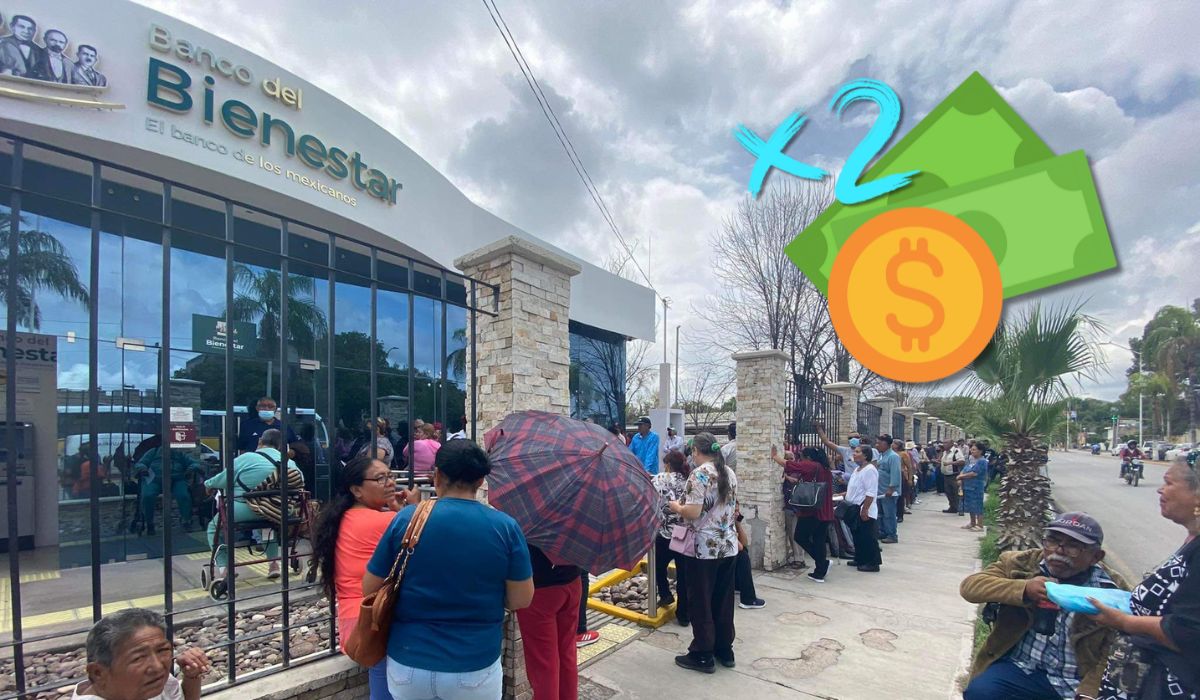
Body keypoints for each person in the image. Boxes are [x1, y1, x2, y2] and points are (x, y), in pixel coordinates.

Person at [364, 439, 534, 699]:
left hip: (409, 663)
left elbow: (369, 587)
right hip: (475, 666)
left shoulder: (406, 519)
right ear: (480, 481)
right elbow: (521, 599)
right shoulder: (505, 527)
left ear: (437, 475)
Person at [960, 512, 1128, 700]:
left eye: (1073, 546)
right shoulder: (1022, 564)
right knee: (981, 692)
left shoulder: (1111, 589)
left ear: (1096, 556)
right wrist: (1024, 589)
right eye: (1053, 541)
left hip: (1074, 679)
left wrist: (1090, 690)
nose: (1059, 551)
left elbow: (1117, 647)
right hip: (1021, 667)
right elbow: (970, 587)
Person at [1089, 459, 1200, 700]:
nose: (1160, 490)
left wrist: (1124, 621)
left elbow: (1187, 632)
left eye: (1168, 483)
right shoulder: (1192, 540)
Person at [310, 455, 417, 699]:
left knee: (381, 676)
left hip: (355, 621)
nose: (390, 482)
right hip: (374, 620)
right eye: (380, 478)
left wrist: (396, 510)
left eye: (390, 475)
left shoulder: (346, 516)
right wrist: (412, 508)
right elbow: (422, 531)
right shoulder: (382, 521)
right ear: (356, 490)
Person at [667, 432, 739, 673]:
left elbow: (693, 512)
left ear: (696, 451)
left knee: (701, 601)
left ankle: (702, 653)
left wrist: (676, 507)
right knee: (723, 600)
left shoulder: (699, 474)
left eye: (693, 453)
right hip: (728, 546)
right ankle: (724, 649)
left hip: (703, 550)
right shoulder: (728, 472)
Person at [204, 429, 304, 580]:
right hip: (277, 510)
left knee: (213, 527)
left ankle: (225, 568)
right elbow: (300, 484)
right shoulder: (289, 462)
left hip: (244, 509)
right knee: (267, 527)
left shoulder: (246, 458)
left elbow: (221, 480)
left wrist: (208, 484)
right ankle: (273, 565)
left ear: (260, 442)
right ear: (280, 446)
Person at [72, 608, 210, 700]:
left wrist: (192, 676)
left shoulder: (149, 684)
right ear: (98, 673)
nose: (158, 666)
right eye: (139, 658)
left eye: (162, 650)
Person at [518, 545, 582, 700]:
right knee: (567, 651)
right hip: (573, 581)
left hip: (539, 589)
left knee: (543, 662)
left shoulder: (532, 528)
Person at [774, 445, 834, 583]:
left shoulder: (811, 465)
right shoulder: (825, 468)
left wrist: (775, 456)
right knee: (819, 540)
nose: (800, 460)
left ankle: (822, 563)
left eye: (801, 457)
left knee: (800, 537)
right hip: (825, 510)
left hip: (812, 511)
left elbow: (790, 465)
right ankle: (819, 571)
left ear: (808, 457)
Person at [134, 437, 203, 535]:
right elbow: (140, 463)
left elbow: (195, 463)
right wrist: (143, 469)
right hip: (155, 479)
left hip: (176, 479)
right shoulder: (153, 452)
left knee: (183, 495)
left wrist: (191, 468)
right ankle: (149, 523)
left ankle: (186, 520)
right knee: (147, 496)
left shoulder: (179, 454)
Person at [652, 449, 691, 618]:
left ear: (668, 465)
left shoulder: (661, 478)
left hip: (664, 534)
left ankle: (665, 594)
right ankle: (683, 613)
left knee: (658, 567)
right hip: (683, 533)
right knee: (683, 574)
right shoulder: (689, 480)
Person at [844, 445, 881, 572]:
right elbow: (856, 487)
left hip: (864, 508)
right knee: (858, 536)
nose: (854, 454)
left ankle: (872, 563)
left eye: (857, 452)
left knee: (868, 537)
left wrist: (865, 509)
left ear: (865, 455)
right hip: (854, 507)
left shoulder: (870, 470)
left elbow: (870, 492)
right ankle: (860, 558)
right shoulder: (857, 469)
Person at [876, 434, 901, 544]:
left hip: (888, 491)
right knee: (881, 514)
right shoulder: (881, 455)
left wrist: (891, 488)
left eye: (879, 443)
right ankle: (883, 532)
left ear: (886, 444)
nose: (877, 445)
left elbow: (895, 474)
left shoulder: (893, 456)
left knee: (889, 514)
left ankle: (892, 535)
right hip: (880, 491)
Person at [959, 443, 989, 531]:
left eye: (974, 450)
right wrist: (960, 476)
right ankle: (972, 523)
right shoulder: (971, 460)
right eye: (971, 449)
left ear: (980, 451)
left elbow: (974, 473)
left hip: (976, 486)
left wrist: (961, 476)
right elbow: (964, 470)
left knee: (977, 505)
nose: (972, 451)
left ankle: (980, 525)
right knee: (970, 505)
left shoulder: (982, 461)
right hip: (968, 486)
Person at [942, 439, 968, 514]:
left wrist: (950, 463)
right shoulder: (944, 452)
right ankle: (952, 507)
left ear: (951, 444)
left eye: (946, 443)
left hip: (954, 475)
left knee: (956, 492)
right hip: (946, 475)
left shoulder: (956, 451)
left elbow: (962, 461)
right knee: (948, 492)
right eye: (943, 443)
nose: (944, 444)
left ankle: (960, 508)